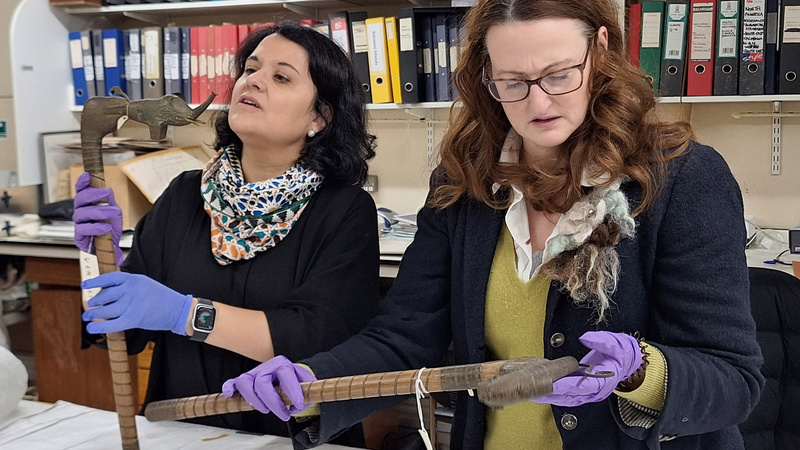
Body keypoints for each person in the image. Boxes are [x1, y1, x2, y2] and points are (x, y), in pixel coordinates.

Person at [223, 0, 766, 448]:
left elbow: (733, 379)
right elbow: (405, 337)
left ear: (600, 51)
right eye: (512, 81)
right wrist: (312, 382)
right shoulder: (466, 183)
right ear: (485, 75)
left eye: (559, 75)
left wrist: (640, 371)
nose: (538, 101)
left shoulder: (679, 178)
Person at [72, 23, 380, 445]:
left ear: (318, 118)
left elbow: (318, 339)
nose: (252, 80)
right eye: (250, 69)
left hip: (291, 437)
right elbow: (120, 338)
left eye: (281, 76)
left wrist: (184, 314)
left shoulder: (343, 210)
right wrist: (97, 257)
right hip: (182, 431)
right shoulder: (184, 194)